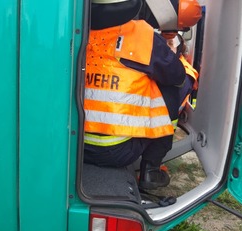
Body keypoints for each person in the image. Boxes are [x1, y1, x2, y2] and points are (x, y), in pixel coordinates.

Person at [84, 0, 201, 190]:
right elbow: (176, 75)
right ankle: (151, 168)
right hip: (119, 150)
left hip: (74, 146)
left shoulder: (74, 29)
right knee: (173, 86)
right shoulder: (142, 35)